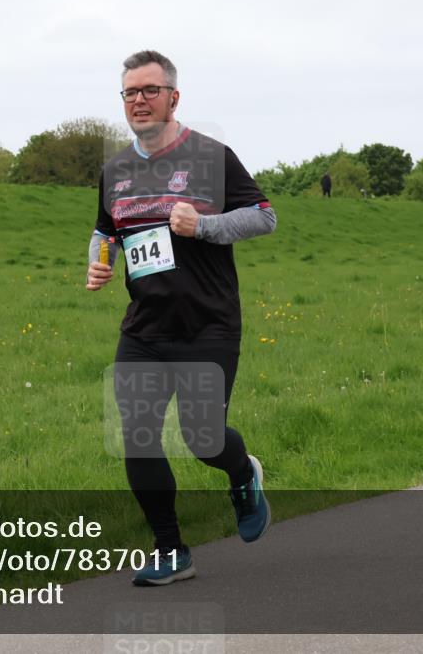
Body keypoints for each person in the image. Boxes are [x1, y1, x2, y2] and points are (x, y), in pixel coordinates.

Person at [86, 50, 276, 586]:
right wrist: (99, 264)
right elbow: (107, 230)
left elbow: (265, 217)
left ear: (173, 97)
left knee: (203, 438)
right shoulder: (115, 170)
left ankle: (242, 473)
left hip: (207, 323)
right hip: (144, 328)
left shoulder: (213, 157)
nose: (139, 100)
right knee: (138, 438)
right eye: (129, 92)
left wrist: (205, 226)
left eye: (149, 90)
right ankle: (171, 550)